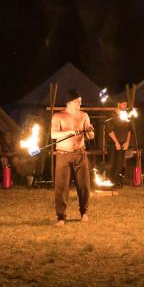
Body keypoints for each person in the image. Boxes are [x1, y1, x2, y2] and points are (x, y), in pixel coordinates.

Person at [51, 89, 95, 224]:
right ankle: (61, 216)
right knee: (61, 187)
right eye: (77, 101)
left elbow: (90, 136)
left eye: (80, 101)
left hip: (80, 153)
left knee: (84, 185)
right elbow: (53, 135)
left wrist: (90, 132)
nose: (80, 103)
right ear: (69, 103)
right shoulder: (58, 116)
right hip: (63, 154)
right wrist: (70, 132)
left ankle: (84, 213)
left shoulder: (84, 116)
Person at [108, 100, 133, 188]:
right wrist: (116, 142)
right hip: (114, 143)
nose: (126, 105)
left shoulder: (126, 116)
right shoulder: (113, 115)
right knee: (112, 163)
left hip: (123, 142)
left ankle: (118, 182)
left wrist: (127, 142)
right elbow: (109, 130)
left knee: (120, 163)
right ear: (119, 104)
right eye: (124, 104)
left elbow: (129, 130)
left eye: (126, 104)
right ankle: (110, 182)